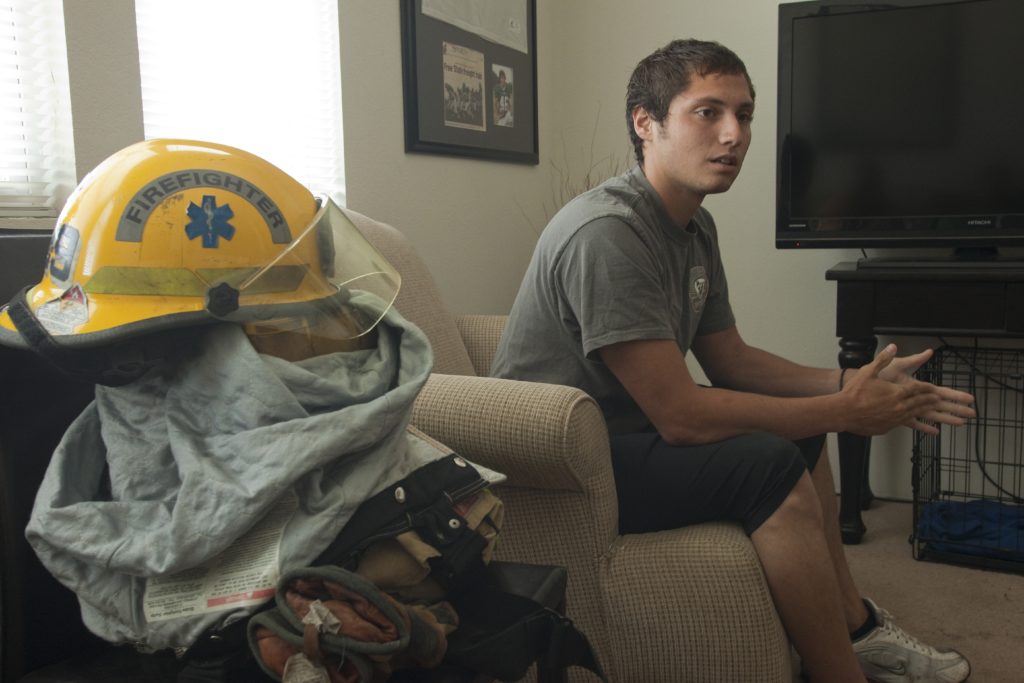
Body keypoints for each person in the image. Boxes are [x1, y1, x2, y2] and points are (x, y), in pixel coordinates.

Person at [491, 39, 976, 683]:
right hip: (565, 468)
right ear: (646, 123)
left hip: (628, 436)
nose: (734, 134)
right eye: (708, 112)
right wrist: (845, 410)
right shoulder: (607, 234)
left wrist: (846, 383)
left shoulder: (694, 227)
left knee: (802, 432)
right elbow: (682, 416)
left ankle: (857, 631)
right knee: (767, 462)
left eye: (744, 115)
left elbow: (732, 360)